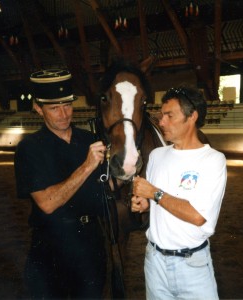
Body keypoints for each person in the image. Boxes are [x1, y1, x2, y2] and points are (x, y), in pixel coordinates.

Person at [14, 69, 108, 299]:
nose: (64, 114)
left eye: (67, 105)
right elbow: (46, 203)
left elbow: (108, 190)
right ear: (38, 108)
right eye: (54, 108)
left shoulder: (89, 140)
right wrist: (87, 166)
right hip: (50, 247)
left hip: (91, 242)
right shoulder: (30, 148)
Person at [131, 86, 227, 300]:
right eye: (161, 115)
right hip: (154, 262)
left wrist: (154, 193)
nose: (161, 121)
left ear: (192, 116)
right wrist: (146, 204)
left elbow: (198, 216)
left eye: (169, 115)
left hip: (192, 265)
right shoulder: (156, 155)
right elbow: (159, 201)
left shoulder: (212, 160)